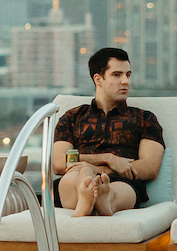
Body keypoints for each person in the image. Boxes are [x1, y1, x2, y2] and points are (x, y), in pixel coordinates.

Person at [51, 48, 166, 217]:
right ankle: (88, 193)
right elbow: (60, 163)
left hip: (122, 182)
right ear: (98, 79)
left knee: (113, 189)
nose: (125, 81)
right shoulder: (72, 117)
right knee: (80, 175)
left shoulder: (144, 118)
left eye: (128, 74)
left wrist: (99, 169)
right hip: (75, 178)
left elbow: (150, 167)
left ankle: (103, 199)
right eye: (117, 75)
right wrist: (108, 159)